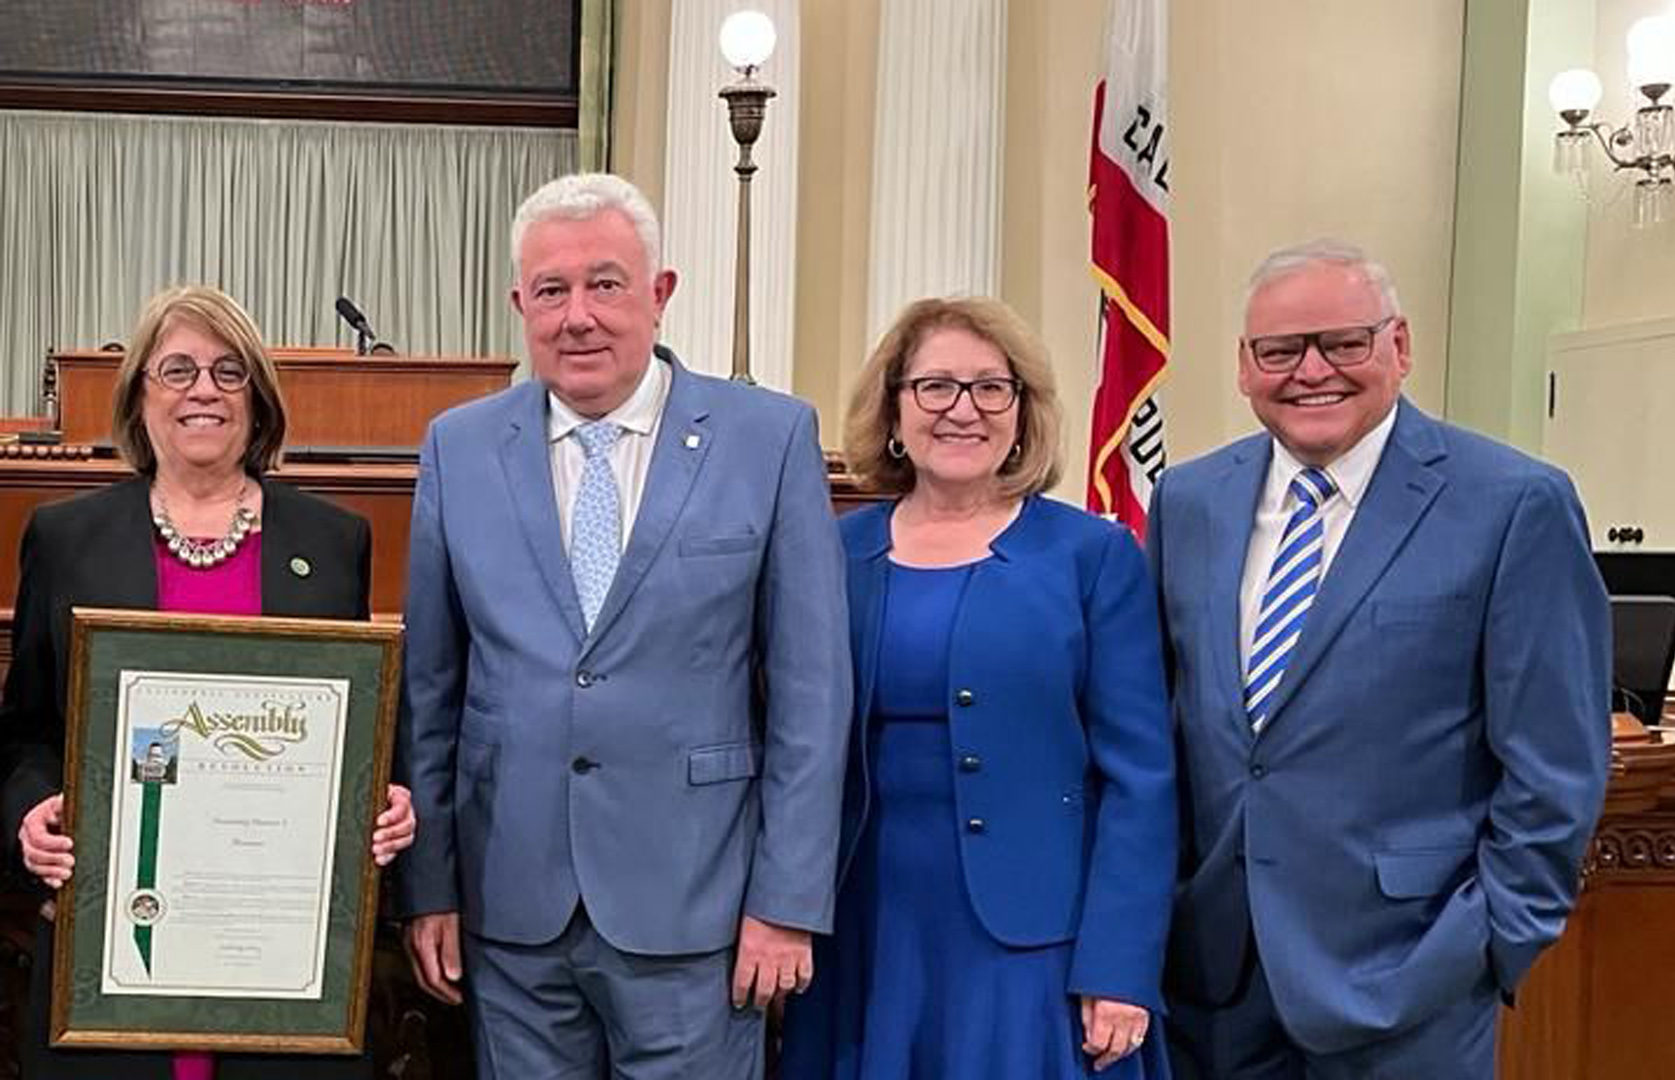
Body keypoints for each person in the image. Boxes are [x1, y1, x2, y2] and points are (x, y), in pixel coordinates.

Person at [396, 172, 851, 1078]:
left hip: (699, 907)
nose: (578, 317)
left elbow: (811, 689)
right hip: (511, 906)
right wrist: (431, 888)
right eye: (551, 291)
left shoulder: (768, 438)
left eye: (605, 284)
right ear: (519, 305)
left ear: (659, 293)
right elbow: (433, 691)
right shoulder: (460, 446)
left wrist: (787, 901)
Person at [1149, 241, 1611, 1078]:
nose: (1310, 371)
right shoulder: (1188, 502)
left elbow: (1556, 772)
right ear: (1244, 369)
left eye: (1343, 342)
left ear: (1398, 346)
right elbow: (1165, 723)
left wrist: (1487, 944)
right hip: (1213, 984)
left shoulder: (1512, 503)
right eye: (1280, 350)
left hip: (1409, 982)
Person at [0, 285, 417, 1080]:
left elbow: (358, 729)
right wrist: (30, 813)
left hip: (280, 963)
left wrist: (387, 798)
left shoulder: (331, 542)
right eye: (178, 370)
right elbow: (26, 730)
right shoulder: (66, 538)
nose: (204, 391)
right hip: (111, 951)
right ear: (139, 398)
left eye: (229, 373)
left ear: (257, 400)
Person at [780, 297, 1176, 1078]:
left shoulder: (1091, 556)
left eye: (990, 388)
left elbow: (1141, 780)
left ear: (1022, 414)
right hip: (864, 926)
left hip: (1035, 945)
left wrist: (1119, 964)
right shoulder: (831, 551)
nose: (962, 410)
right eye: (934, 387)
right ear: (894, 409)